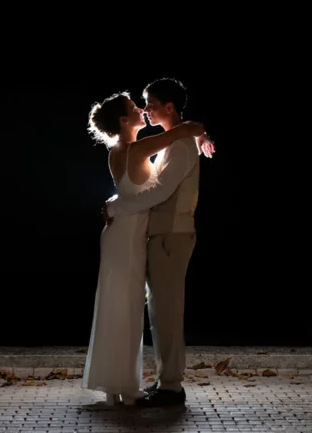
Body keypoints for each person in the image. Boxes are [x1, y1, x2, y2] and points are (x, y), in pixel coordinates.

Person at [82, 89, 211, 407]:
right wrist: (196, 130)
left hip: (130, 234)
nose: (143, 109)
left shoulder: (122, 148)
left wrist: (113, 207)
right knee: (126, 308)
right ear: (125, 120)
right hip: (129, 237)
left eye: (148, 104)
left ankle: (121, 384)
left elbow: (135, 194)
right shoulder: (138, 147)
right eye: (136, 107)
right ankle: (127, 384)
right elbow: (182, 133)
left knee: (123, 307)